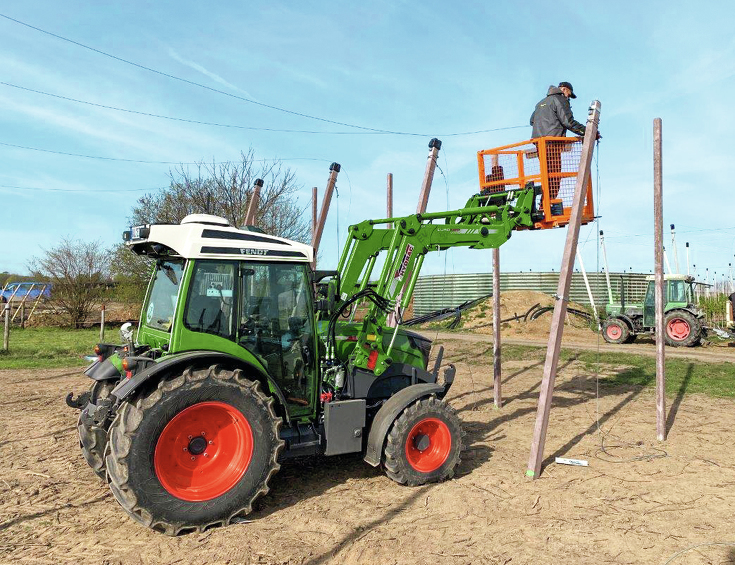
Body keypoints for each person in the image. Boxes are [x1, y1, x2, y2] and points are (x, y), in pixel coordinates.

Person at [530, 82, 596, 199]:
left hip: (539, 144)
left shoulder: (540, 103)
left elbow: (531, 121)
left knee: (547, 177)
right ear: (564, 90)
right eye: (569, 95)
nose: (568, 98)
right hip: (552, 143)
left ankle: (544, 205)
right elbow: (568, 122)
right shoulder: (560, 99)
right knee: (555, 178)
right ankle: (548, 206)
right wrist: (589, 132)